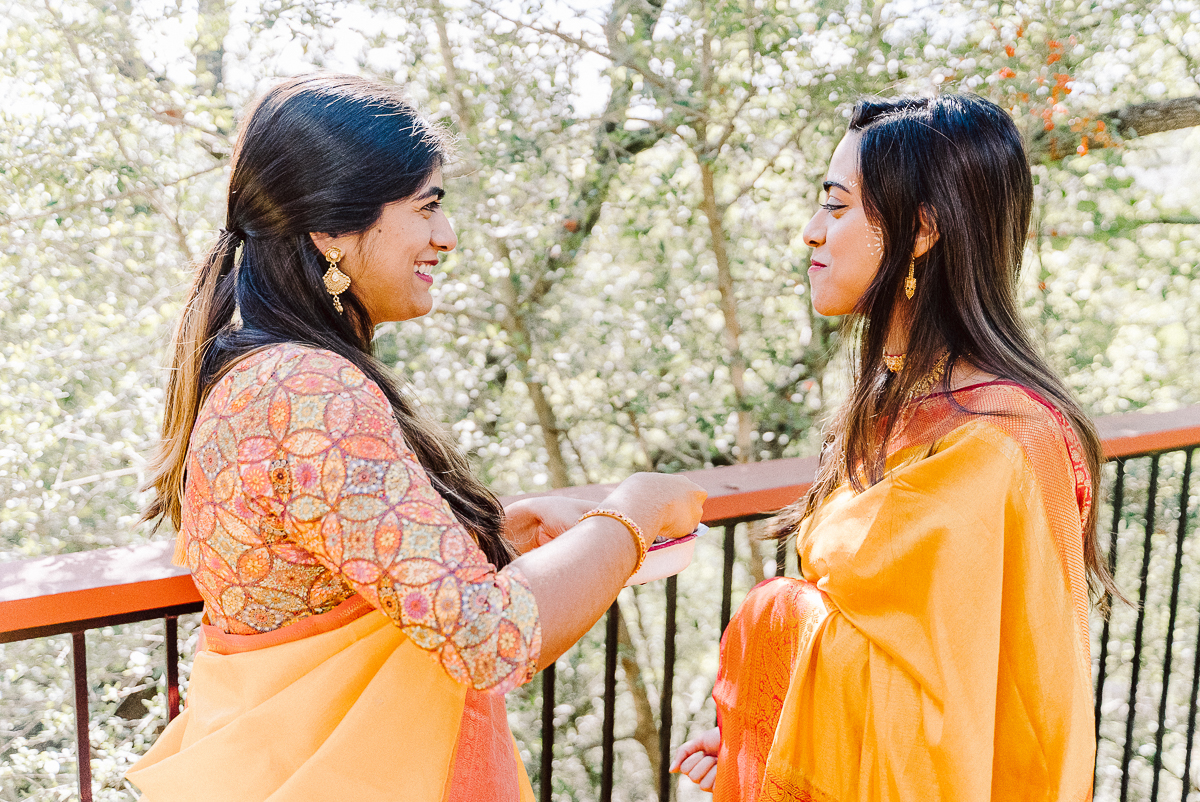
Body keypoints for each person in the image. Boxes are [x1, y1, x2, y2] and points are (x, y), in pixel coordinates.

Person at [126, 73, 706, 802]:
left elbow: (313, 576)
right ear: (330, 230)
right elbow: (491, 638)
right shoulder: (310, 392)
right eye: (426, 206)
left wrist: (489, 533)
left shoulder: (255, 373)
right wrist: (633, 513)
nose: (446, 235)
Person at [671, 94, 1114, 801]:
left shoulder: (997, 442)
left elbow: (943, 719)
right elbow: (876, 655)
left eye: (836, 206)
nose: (811, 232)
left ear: (922, 231)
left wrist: (774, 621)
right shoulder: (893, 399)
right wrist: (760, 730)